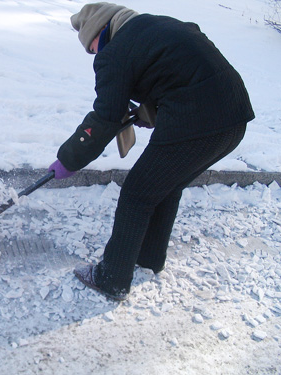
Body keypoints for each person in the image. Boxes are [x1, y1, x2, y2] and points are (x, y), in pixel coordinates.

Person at [48, 3, 255, 301]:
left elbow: (105, 117)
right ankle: (149, 257)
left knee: (136, 194)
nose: (93, 54)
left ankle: (112, 278)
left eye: (90, 47)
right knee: (165, 186)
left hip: (197, 122)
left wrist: (69, 158)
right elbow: (180, 70)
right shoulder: (155, 26)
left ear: (99, 32)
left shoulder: (115, 52)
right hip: (235, 118)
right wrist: (153, 110)